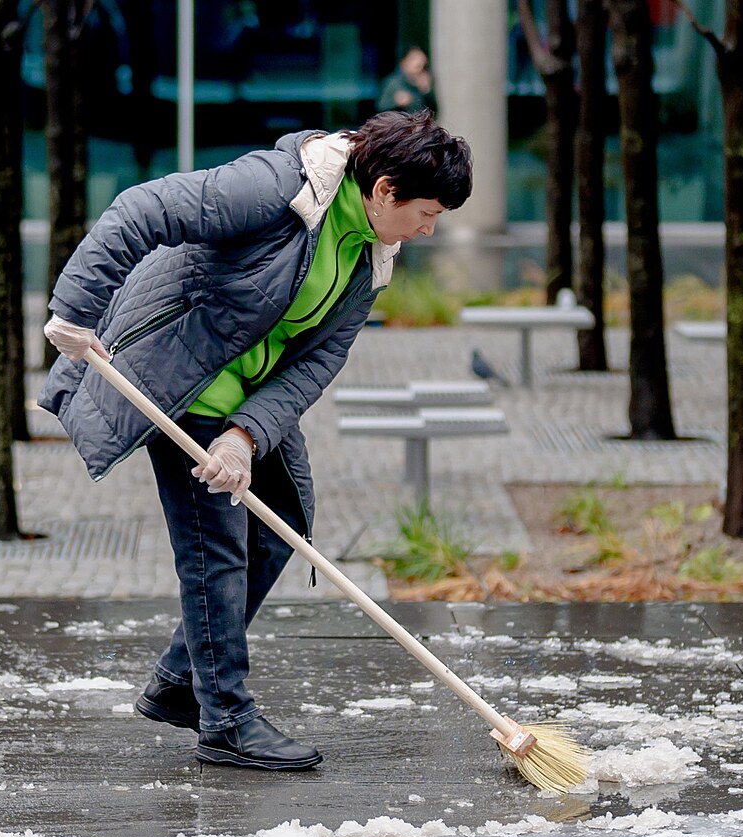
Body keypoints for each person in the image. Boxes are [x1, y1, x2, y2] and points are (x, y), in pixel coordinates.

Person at [40, 110, 472, 771]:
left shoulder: (368, 258)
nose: (428, 229)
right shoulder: (275, 186)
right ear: (385, 189)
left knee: (283, 526)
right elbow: (141, 209)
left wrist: (246, 435)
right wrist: (73, 309)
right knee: (217, 549)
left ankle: (183, 681)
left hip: (243, 395)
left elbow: (317, 361)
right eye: (428, 212)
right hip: (179, 377)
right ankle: (227, 721)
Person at [377, 45, 434, 113]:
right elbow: (381, 107)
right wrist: (396, 102)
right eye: (414, 59)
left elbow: (433, 111)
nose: (418, 63)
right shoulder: (393, 82)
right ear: (404, 61)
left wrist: (426, 91)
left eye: (421, 62)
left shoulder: (424, 81)